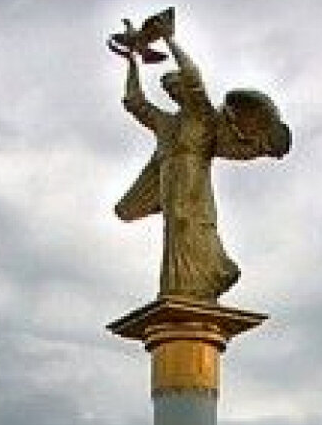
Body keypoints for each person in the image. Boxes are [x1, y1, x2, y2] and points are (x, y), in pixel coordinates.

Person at [112, 22, 290, 303]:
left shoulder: (204, 116)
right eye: (169, 91)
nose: (173, 93)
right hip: (169, 181)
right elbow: (135, 102)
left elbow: (193, 76)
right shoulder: (166, 123)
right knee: (174, 231)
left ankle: (215, 274)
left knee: (190, 225)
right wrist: (132, 63)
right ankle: (178, 288)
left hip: (194, 184)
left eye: (175, 88)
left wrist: (170, 40)